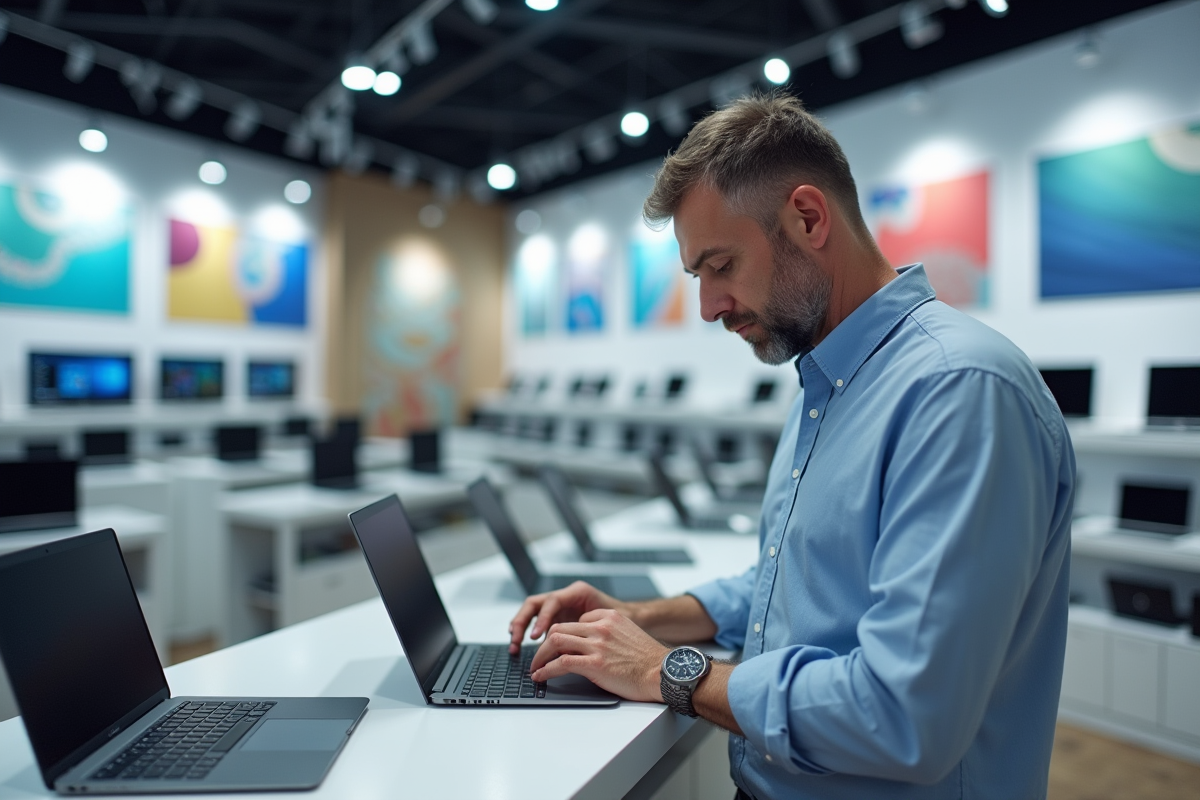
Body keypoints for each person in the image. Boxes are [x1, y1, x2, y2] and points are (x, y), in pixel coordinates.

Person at [508, 93, 1075, 800]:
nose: (710, 306)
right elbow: (796, 582)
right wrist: (635, 620)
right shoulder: (826, 381)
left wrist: (664, 670)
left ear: (808, 219)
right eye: (698, 278)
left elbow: (906, 717)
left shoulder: (959, 392)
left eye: (721, 265)